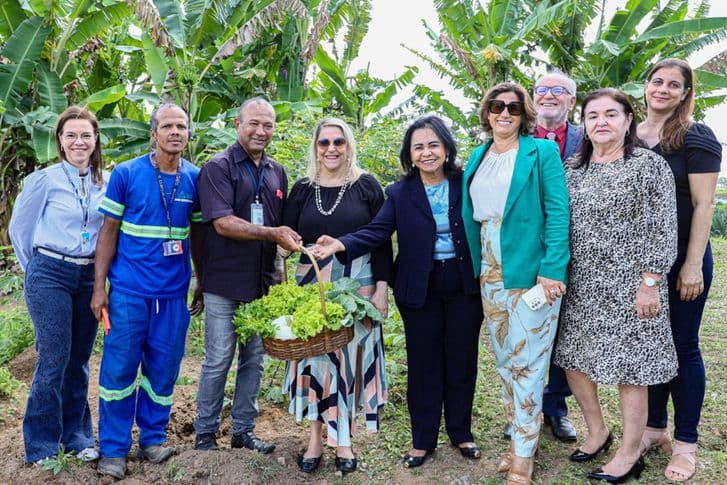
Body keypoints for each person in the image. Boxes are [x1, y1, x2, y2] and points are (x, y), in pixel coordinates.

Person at [314, 115, 483, 469]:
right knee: (423, 362)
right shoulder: (400, 192)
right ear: (409, 154)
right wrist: (340, 243)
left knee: (461, 359)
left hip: (464, 283)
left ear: (447, 147)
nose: (427, 153)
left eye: (433, 145)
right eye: (418, 147)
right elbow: (377, 231)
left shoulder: (466, 181)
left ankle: (460, 432)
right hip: (418, 286)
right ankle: (423, 439)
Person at [554, 88, 678, 483]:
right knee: (573, 361)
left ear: (628, 121)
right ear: (585, 125)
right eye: (592, 116)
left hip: (632, 285)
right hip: (582, 285)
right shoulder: (574, 168)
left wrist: (650, 282)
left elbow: (663, 228)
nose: (601, 122)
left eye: (611, 114)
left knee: (631, 370)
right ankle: (597, 431)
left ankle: (629, 453)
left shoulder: (648, 166)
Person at [462, 82, 570, 485]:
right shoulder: (478, 156)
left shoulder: (541, 152)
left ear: (524, 113)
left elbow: (558, 212)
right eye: (496, 105)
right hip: (489, 270)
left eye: (512, 107)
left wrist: (553, 269)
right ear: (486, 111)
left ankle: (523, 455)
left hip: (530, 270)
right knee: (506, 360)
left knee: (529, 361)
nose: (503, 113)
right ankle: (521, 439)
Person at [90, 104, 204, 479]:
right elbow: (108, 232)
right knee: (119, 370)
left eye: (182, 126)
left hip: (172, 295)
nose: (175, 132)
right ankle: (113, 448)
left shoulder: (195, 178)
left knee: (164, 370)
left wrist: (200, 279)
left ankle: (153, 439)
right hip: (127, 293)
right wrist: (99, 288)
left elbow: (200, 236)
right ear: (153, 132)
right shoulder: (126, 174)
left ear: (189, 133)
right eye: (167, 126)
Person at [281, 118, 393, 474]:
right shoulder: (301, 189)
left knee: (348, 363)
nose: (331, 149)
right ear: (315, 146)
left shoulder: (366, 186)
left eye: (339, 142)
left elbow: (381, 240)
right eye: (324, 142)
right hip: (310, 285)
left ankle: (343, 441)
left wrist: (382, 290)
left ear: (349, 146)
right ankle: (316, 439)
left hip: (357, 286)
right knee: (314, 363)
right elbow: (289, 240)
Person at [193, 98, 300, 454]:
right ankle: (205, 434)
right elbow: (222, 223)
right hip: (224, 283)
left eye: (268, 125)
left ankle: (243, 430)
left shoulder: (276, 171)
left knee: (253, 359)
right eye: (254, 123)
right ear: (237, 123)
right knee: (219, 357)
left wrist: (281, 276)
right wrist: (273, 233)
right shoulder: (218, 167)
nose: (261, 131)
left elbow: (281, 236)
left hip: (261, 284)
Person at [637, 59, 722, 482]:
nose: (663, 89)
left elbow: (704, 204)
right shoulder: (629, 134)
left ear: (686, 92)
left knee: (683, 346)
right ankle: (655, 429)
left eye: (674, 84)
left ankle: (686, 443)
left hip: (682, 258)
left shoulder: (695, 135)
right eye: (657, 81)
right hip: (638, 264)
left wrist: (691, 264)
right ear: (645, 86)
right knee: (650, 346)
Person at [9, 106, 106, 465]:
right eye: (71, 136)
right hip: (50, 272)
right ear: (61, 142)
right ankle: (42, 445)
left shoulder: (106, 182)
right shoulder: (44, 180)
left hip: (88, 277)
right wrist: (35, 270)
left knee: (79, 360)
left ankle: (78, 436)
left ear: (96, 141)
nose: (78, 142)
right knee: (53, 358)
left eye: (85, 135)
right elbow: (19, 230)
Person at [496, 70, 580, 444]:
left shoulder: (586, 138)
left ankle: (555, 407)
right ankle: (520, 409)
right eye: (542, 89)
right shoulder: (516, 140)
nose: (548, 95)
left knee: (562, 335)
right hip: (525, 254)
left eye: (558, 90)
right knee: (520, 335)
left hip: (575, 251)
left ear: (571, 101)